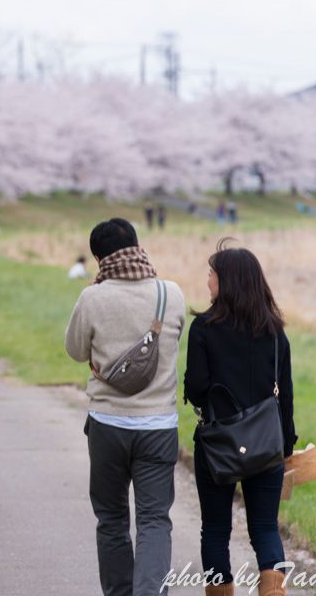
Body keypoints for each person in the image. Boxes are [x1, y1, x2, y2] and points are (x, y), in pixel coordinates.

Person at [64, 218, 186, 596]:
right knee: (153, 520)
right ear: (138, 245)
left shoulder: (92, 298)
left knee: (112, 518)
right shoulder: (172, 294)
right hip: (158, 427)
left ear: (100, 258)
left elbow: (75, 351)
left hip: (108, 425)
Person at [183, 241, 297, 596]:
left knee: (215, 530)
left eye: (212, 274)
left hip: (218, 445)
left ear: (227, 281)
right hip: (266, 445)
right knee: (265, 528)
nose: (207, 281)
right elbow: (286, 395)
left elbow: (198, 388)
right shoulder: (275, 331)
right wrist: (287, 445)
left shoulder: (203, 328)